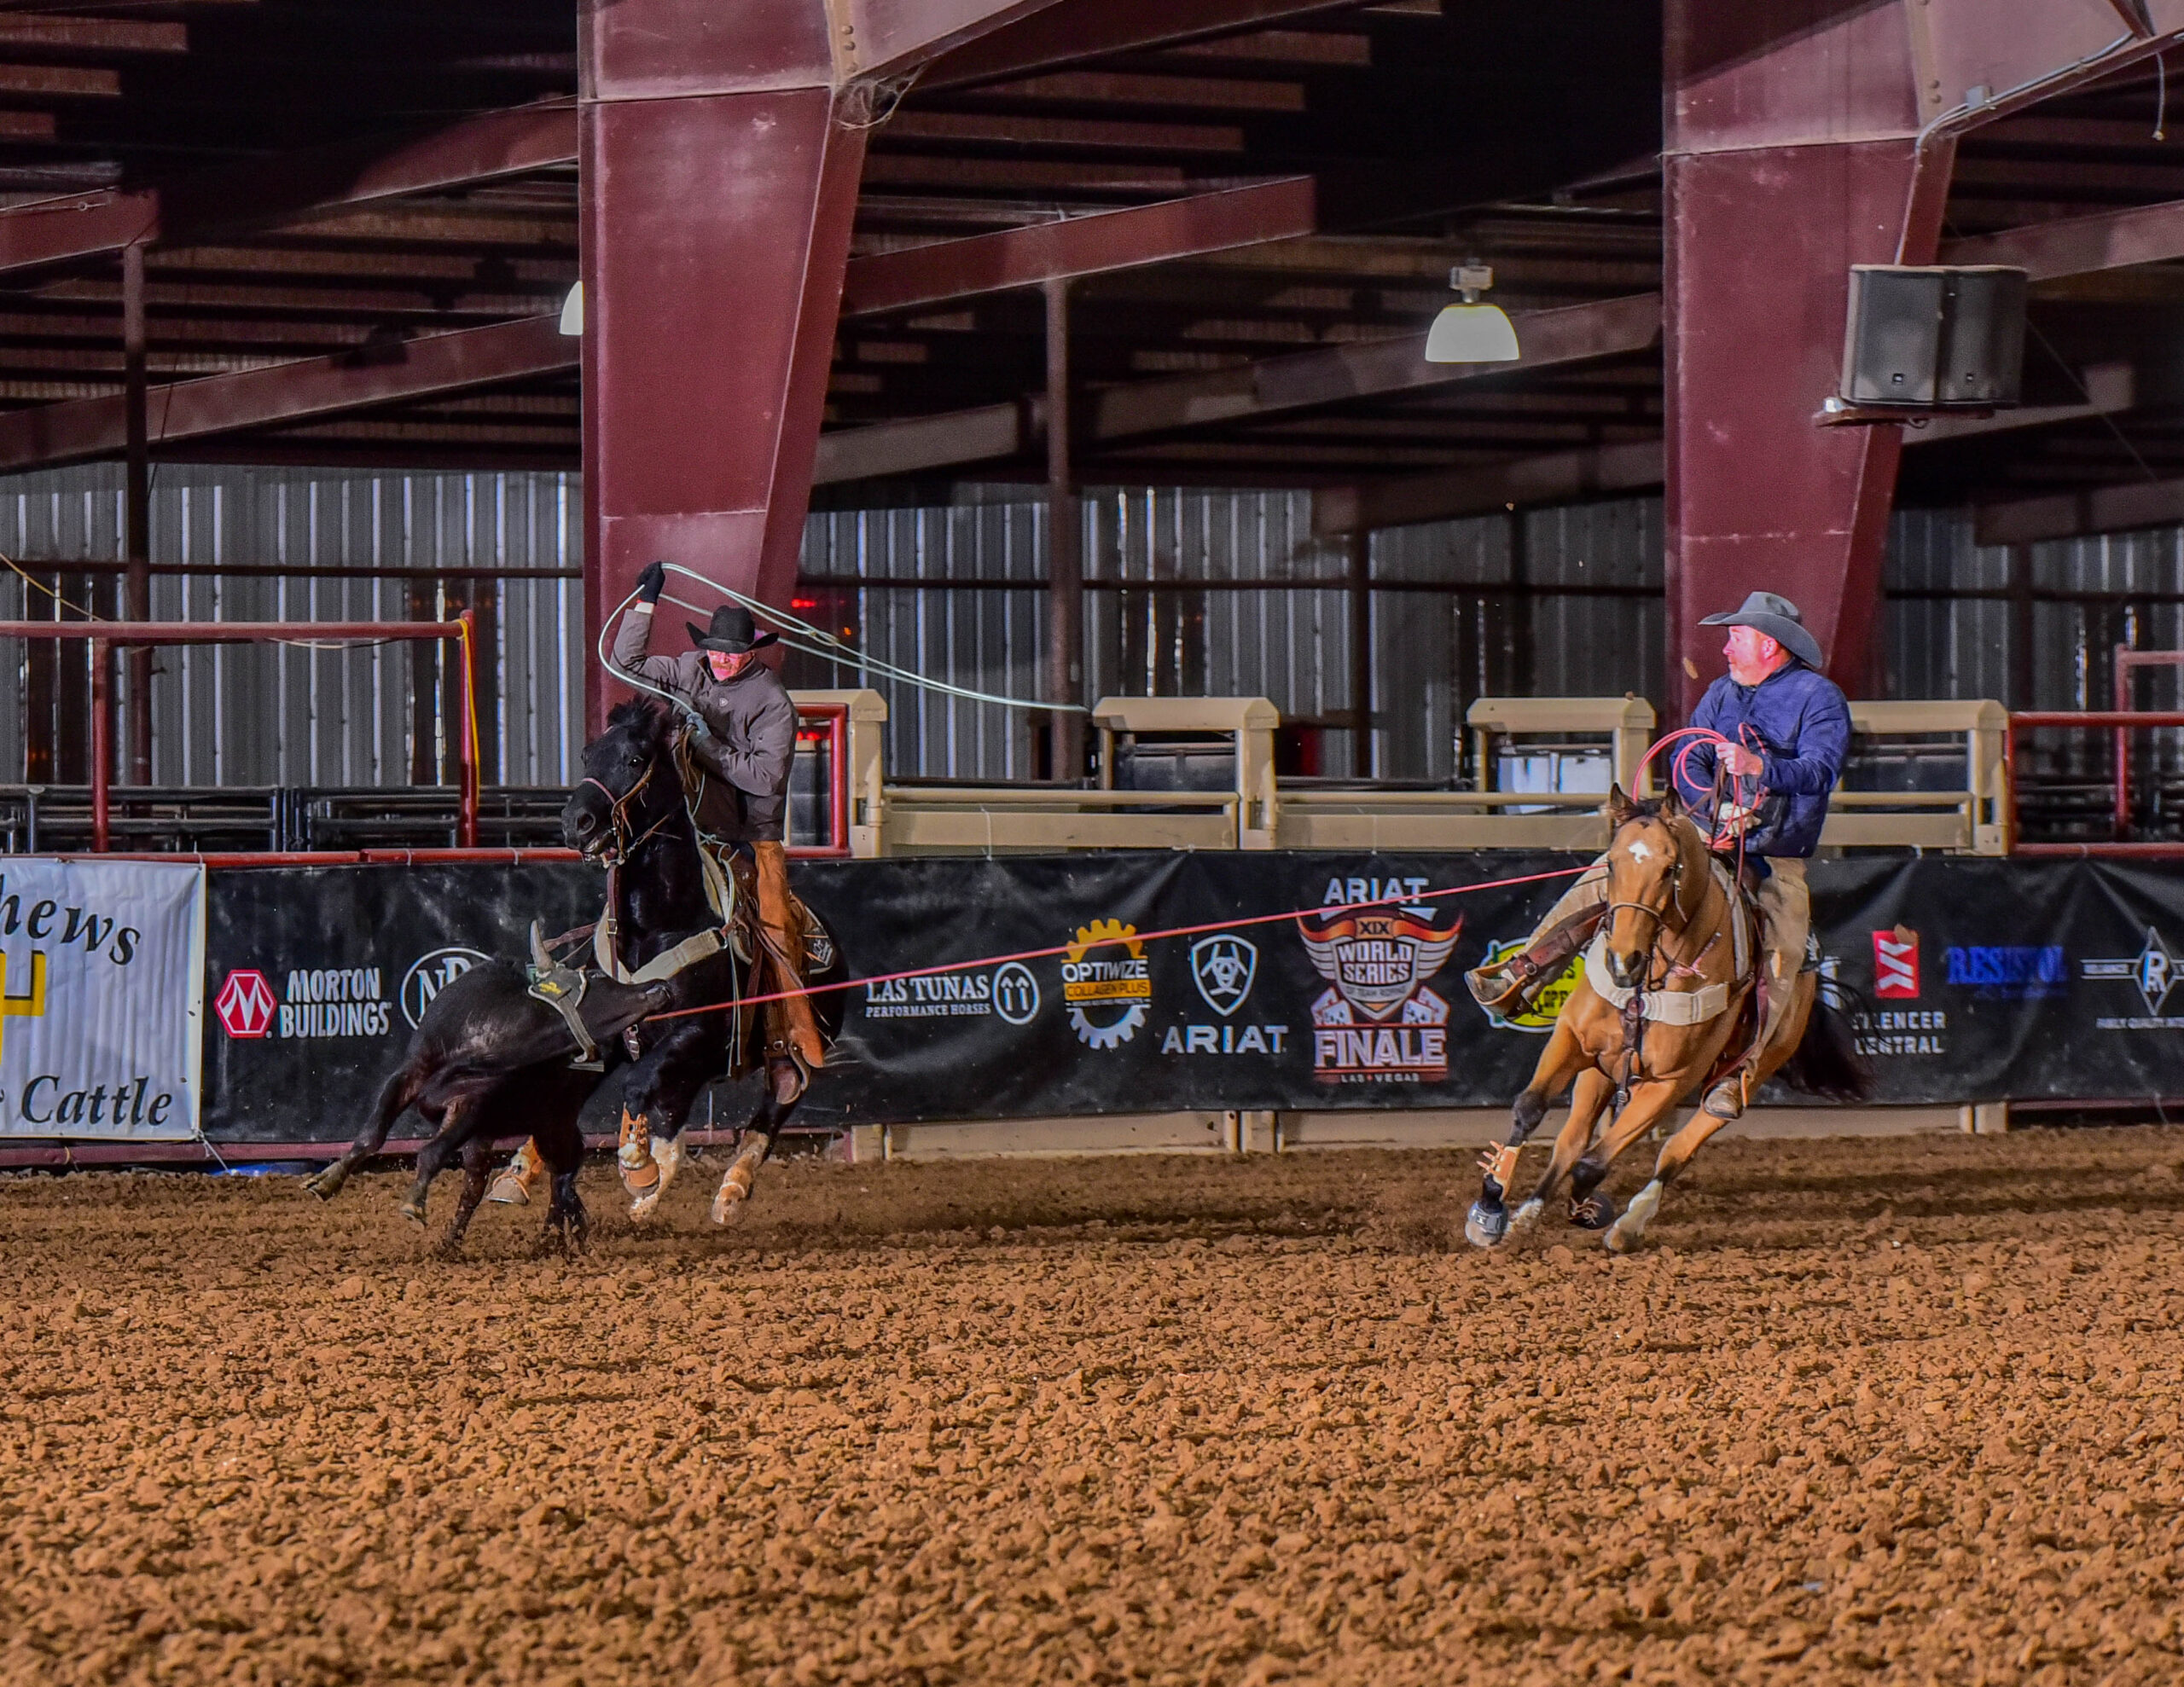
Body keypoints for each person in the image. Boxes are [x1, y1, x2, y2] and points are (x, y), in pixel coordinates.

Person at [490, 559, 823, 1208]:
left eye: (733, 656)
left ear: (751, 654)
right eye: (717, 653)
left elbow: (763, 777)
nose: (722, 664)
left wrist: (703, 747)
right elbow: (624, 660)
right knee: (624, 903)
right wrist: (644, 604)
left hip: (746, 836)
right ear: (707, 649)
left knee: (775, 924)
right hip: (678, 828)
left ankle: (789, 1033)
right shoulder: (686, 670)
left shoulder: (772, 703)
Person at [1464, 589, 1850, 1120]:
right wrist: (1710, 811)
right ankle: (1524, 970)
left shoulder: (1819, 698)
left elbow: (1821, 769)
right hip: (1704, 834)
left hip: (1772, 850)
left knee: (1785, 942)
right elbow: (1686, 762)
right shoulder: (1720, 692)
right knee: (1609, 874)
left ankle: (1745, 1066)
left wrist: (1760, 769)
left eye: (1736, 638)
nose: (1726, 649)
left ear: (1769, 644)